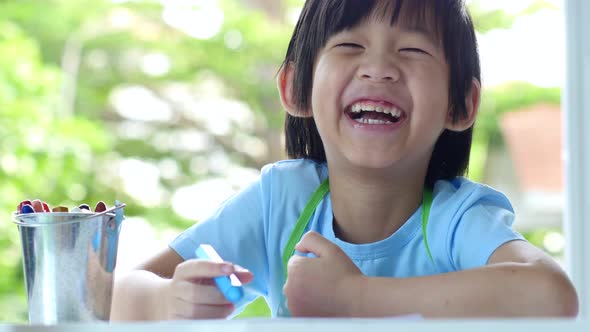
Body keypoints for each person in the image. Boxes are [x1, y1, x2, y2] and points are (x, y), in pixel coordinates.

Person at [111, 0, 578, 320]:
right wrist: (167, 300)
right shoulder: (281, 202)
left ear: (461, 105)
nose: (379, 68)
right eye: (349, 45)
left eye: (413, 49)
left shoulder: (456, 219)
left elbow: (552, 296)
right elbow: (121, 292)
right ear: (295, 88)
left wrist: (357, 297)